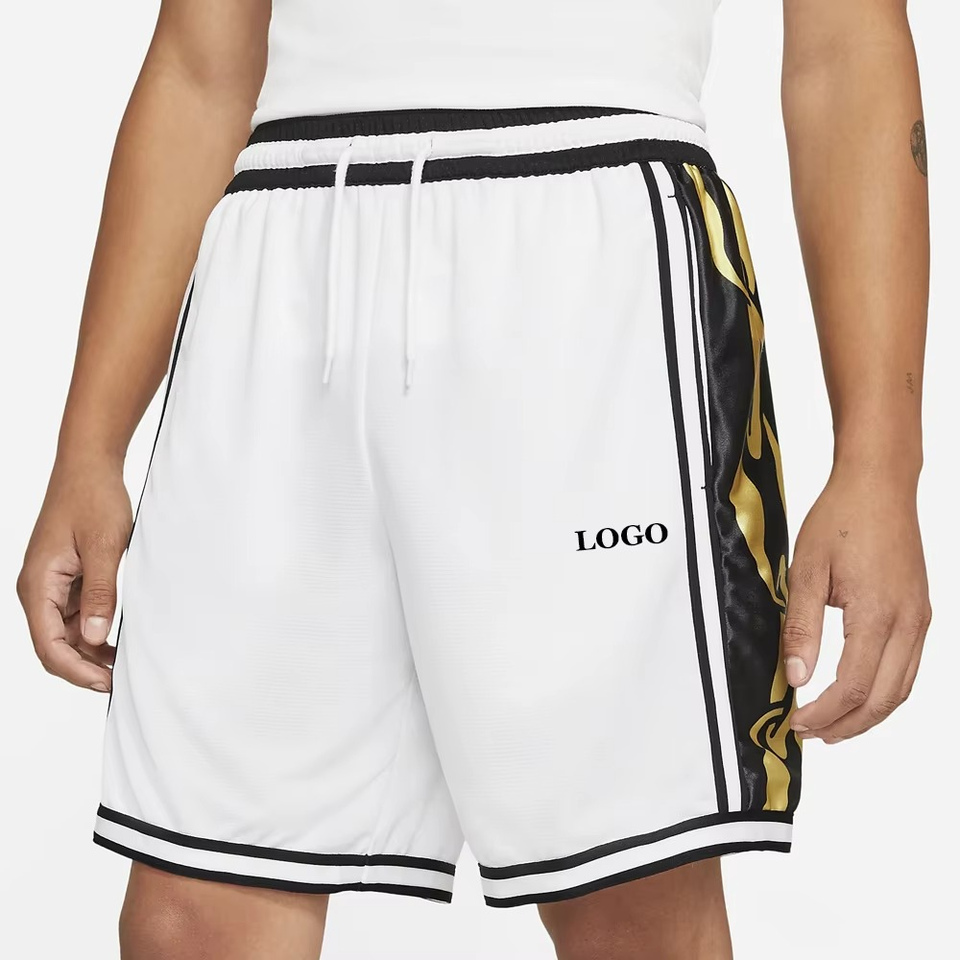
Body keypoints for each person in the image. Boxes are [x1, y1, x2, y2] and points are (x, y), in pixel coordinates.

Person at [16, 1, 931, 957]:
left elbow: (845, 44)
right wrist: (89, 444)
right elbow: (201, 64)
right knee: (190, 921)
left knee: (631, 911)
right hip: (279, 265)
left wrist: (881, 462)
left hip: (589, 252)